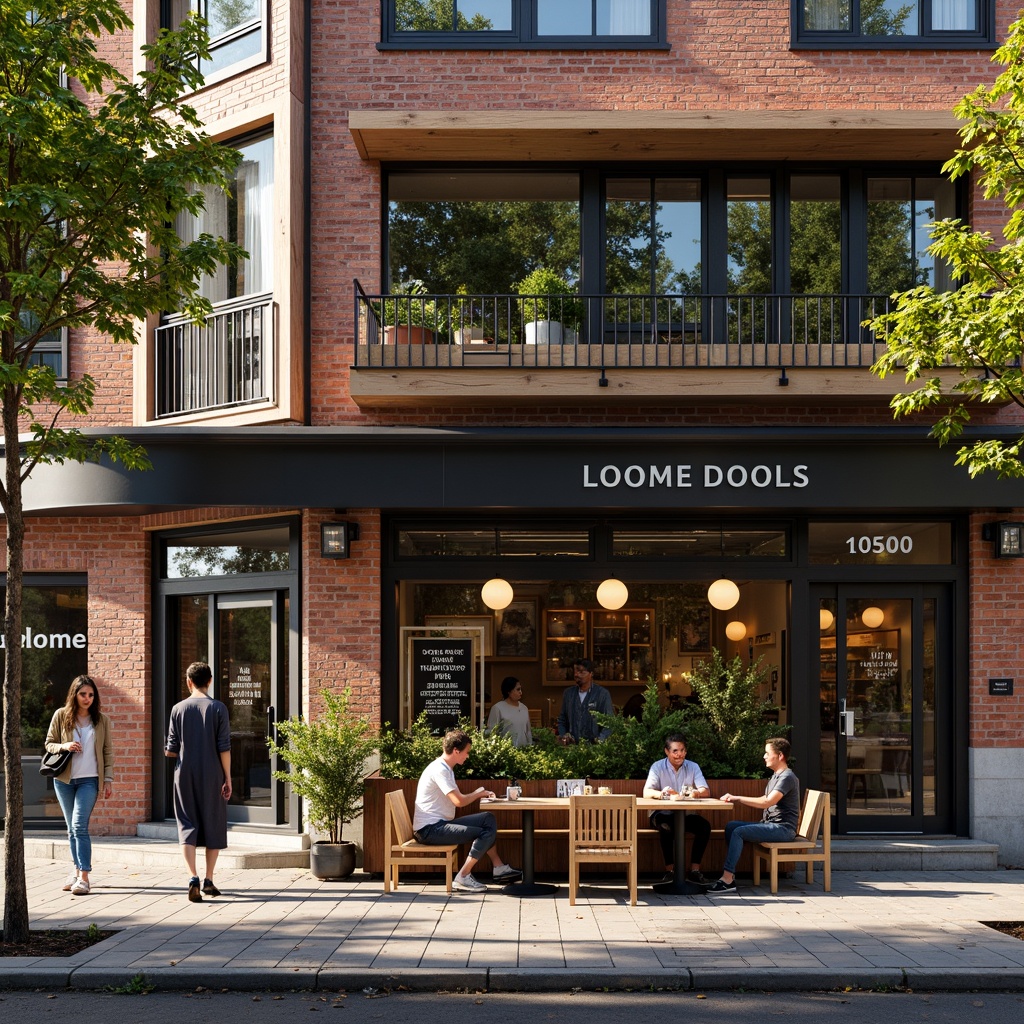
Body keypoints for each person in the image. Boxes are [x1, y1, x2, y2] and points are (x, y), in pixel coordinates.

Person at [412, 728, 522, 893]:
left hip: (440, 824)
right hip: (429, 830)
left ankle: (498, 867)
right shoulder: (440, 770)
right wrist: (479, 794)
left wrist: (480, 794)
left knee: (488, 818)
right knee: (484, 832)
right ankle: (463, 876)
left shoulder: (445, 768)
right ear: (456, 751)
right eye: (466, 752)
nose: (467, 755)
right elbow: (458, 801)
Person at [165, 661, 232, 903]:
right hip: (212, 772)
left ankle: (192, 876)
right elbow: (224, 747)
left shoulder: (177, 709)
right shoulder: (218, 708)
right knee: (213, 821)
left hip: (184, 773)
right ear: (210, 680)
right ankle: (209, 879)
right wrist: (228, 777)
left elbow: (171, 750)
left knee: (186, 823)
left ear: (188, 681)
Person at [45, 675, 114, 896]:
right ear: (74, 694)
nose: (87, 698)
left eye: (91, 695)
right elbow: (49, 744)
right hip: (64, 780)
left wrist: (109, 779)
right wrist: (64, 746)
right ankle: (75, 872)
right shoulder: (61, 716)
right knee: (71, 829)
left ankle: (84, 877)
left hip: (90, 780)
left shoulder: (102, 720)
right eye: (83, 694)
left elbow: (107, 752)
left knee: (79, 826)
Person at [706, 737, 800, 895]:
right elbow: (766, 801)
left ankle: (727, 879)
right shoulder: (776, 776)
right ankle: (731, 875)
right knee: (731, 827)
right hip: (770, 825)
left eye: (767, 753)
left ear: (780, 756)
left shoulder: (787, 777)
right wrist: (736, 798)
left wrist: (738, 798)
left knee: (739, 832)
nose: (764, 756)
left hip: (783, 829)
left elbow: (766, 803)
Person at [643, 733, 712, 885]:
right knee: (667, 827)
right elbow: (646, 792)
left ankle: (694, 871)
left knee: (704, 827)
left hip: (686, 813)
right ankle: (670, 871)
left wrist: (695, 792)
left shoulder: (693, 766)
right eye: (675, 751)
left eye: (682, 750)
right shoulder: (657, 766)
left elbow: (705, 791)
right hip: (661, 813)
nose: (679, 754)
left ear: (686, 752)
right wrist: (662, 794)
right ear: (667, 752)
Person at [556, 658, 613, 744]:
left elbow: (609, 722)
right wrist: (564, 735)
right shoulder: (568, 694)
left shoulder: (602, 694)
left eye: (581, 672)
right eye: (575, 671)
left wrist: (600, 741)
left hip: (594, 749)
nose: (577, 675)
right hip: (572, 748)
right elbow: (562, 720)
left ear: (591, 674)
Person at [486, 676, 533, 747]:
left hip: (524, 750)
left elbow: (528, 731)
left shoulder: (524, 708)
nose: (521, 692)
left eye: (521, 689)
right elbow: (492, 732)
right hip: (506, 751)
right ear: (509, 691)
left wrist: (530, 745)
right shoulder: (498, 708)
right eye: (518, 689)